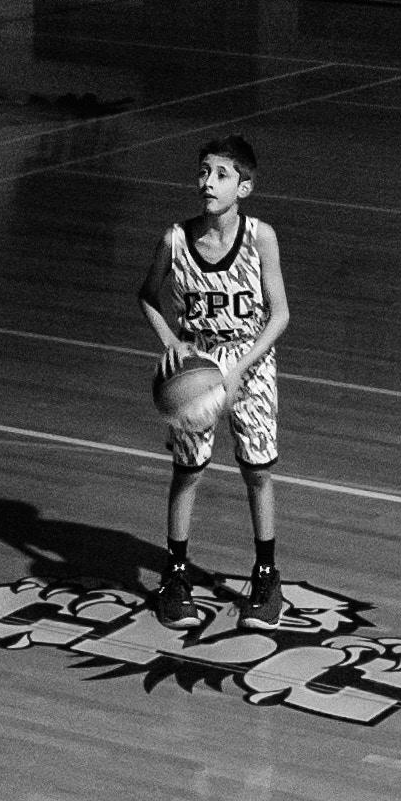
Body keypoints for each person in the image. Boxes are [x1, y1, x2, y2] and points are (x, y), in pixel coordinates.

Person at [137, 133, 290, 624]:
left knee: (257, 472)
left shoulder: (261, 237)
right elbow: (146, 294)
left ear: (244, 187)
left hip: (251, 363)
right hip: (198, 367)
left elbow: (280, 314)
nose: (208, 182)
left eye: (221, 174)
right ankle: (175, 574)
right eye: (203, 172)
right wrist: (171, 343)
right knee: (188, 473)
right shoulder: (176, 240)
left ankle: (267, 576)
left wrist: (242, 367)